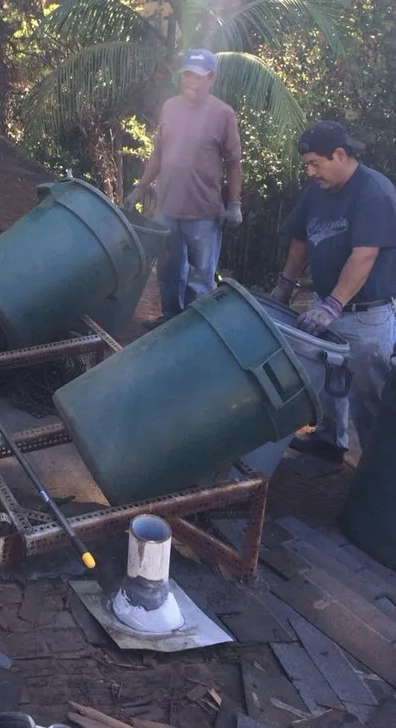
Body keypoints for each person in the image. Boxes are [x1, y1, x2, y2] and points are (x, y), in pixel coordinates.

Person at [270, 120, 396, 463]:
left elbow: (364, 254)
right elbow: (300, 239)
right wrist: (285, 285)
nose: (310, 172)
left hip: (367, 314)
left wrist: (334, 304)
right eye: (306, 165)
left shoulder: (373, 191)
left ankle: (375, 471)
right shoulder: (317, 190)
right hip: (328, 303)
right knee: (328, 381)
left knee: (369, 395)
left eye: (315, 163)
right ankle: (329, 442)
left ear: (339, 154)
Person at [124, 49, 242, 319]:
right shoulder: (170, 107)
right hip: (166, 209)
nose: (191, 81)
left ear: (211, 78)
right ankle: (169, 321)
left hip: (203, 214)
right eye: (187, 75)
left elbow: (233, 163)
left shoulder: (223, 114)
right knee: (167, 271)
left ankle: (191, 332)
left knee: (200, 279)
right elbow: (158, 153)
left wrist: (234, 204)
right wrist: (140, 187)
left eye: (198, 76)